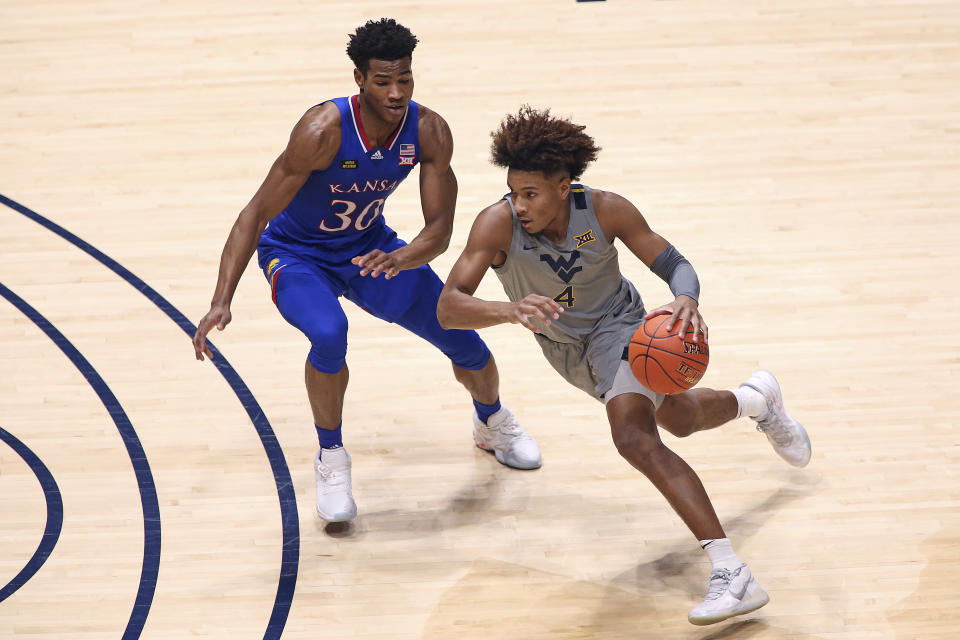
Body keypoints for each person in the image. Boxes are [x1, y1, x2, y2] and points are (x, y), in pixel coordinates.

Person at [436, 106, 811, 625]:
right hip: (566, 350)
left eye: (531, 194)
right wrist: (509, 309)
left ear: (564, 186)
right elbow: (449, 307)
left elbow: (673, 262)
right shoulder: (496, 224)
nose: (519, 205)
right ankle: (758, 400)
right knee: (678, 420)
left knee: (633, 438)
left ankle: (730, 571)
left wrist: (686, 297)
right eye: (514, 192)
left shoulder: (607, 211)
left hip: (621, 327)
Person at [191, 19, 541, 524]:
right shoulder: (321, 131)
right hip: (297, 254)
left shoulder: (428, 130)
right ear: (359, 78)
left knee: (461, 336)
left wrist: (404, 257)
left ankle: (491, 422)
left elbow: (439, 229)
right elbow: (253, 215)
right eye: (383, 82)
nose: (397, 92)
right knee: (331, 333)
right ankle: (331, 457)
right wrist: (221, 298)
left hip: (370, 251)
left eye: (405, 79)